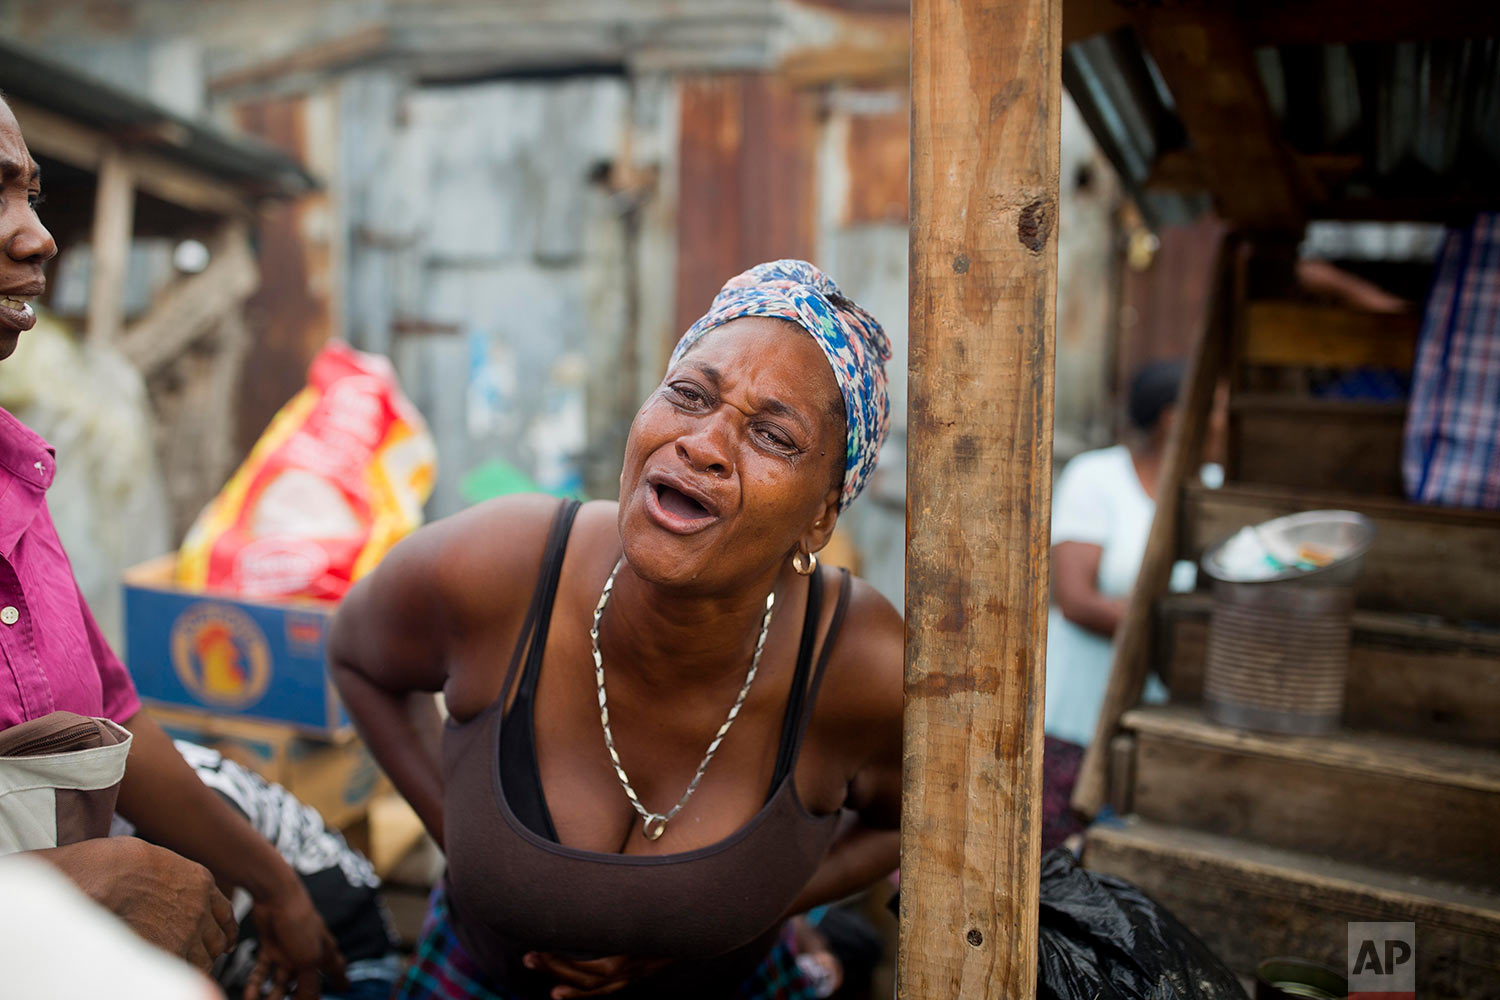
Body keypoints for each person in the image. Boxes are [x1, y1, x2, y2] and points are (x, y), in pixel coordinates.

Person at [329, 260, 904, 999]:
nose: (702, 443)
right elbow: (354, 653)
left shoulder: (858, 662)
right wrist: (470, 841)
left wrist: (748, 905)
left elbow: (913, 821)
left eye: (773, 436)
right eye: (689, 395)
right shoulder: (501, 566)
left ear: (822, 515)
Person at [0, 94, 345, 997]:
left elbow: (115, 721)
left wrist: (278, 887)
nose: (37, 237)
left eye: (32, 196)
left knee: (335, 885)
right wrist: (77, 884)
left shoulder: (15, 480)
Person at [1042, 360, 1220, 850]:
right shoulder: (1097, 476)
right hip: (1077, 709)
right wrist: (1173, 631)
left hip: (1163, 713)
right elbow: (1075, 599)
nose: (1226, 421)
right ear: (1171, 418)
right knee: (1060, 855)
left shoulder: (1214, 487)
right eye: (1218, 409)